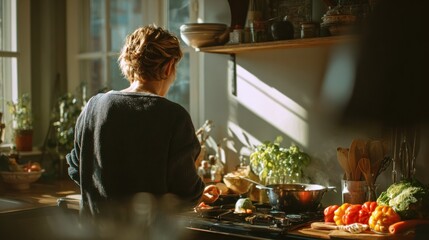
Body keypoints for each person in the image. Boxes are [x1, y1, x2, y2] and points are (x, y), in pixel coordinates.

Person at [66, 25, 218, 220]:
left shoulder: (93, 107)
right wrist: (199, 192)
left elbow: (76, 168)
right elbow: (185, 193)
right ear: (169, 66)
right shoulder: (174, 116)